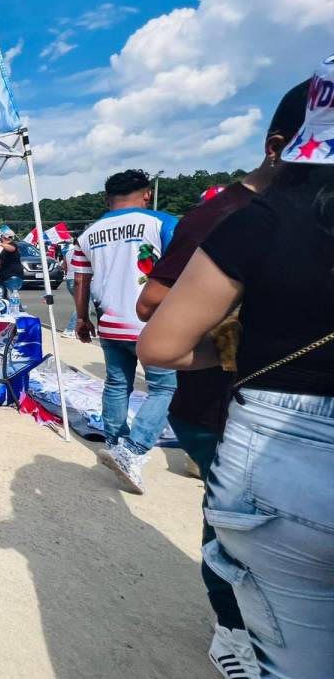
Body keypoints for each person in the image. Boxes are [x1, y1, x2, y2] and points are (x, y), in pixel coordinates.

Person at [138, 63, 334, 678]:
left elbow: (158, 331)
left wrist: (235, 346)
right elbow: (151, 300)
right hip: (236, 419)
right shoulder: (221, 216)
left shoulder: (261, 218)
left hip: (277, 438)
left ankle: (239, 631)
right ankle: (231, 627)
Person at [72, 169, 178, 494]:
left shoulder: (88, 234)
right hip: (153, 322)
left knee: (118, 385)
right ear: (147, 194)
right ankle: (131, 451)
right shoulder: (163, 223)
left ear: (107, 199)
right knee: (165, 388)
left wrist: (81, 319)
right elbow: (183, 270)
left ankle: (116, 443)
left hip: (110, 322)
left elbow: (80, 281)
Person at [0, 230, 24, 302]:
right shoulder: (2, 248)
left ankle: (19, 310)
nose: (7, 239)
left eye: (10, 237)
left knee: (13, 296)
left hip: (12, 276)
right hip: (3, 276)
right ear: (1, 237)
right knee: (4, 297)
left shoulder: (13, 245)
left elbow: (12, 249)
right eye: (5, 237)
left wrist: (1, 244)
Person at [60, 240, 79, 338]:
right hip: (79, 280)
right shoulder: (84, 251)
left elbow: (63, 267)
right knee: (82, 306)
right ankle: (70, 329)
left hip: (70, 279)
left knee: (83, 306)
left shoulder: (68, 252)